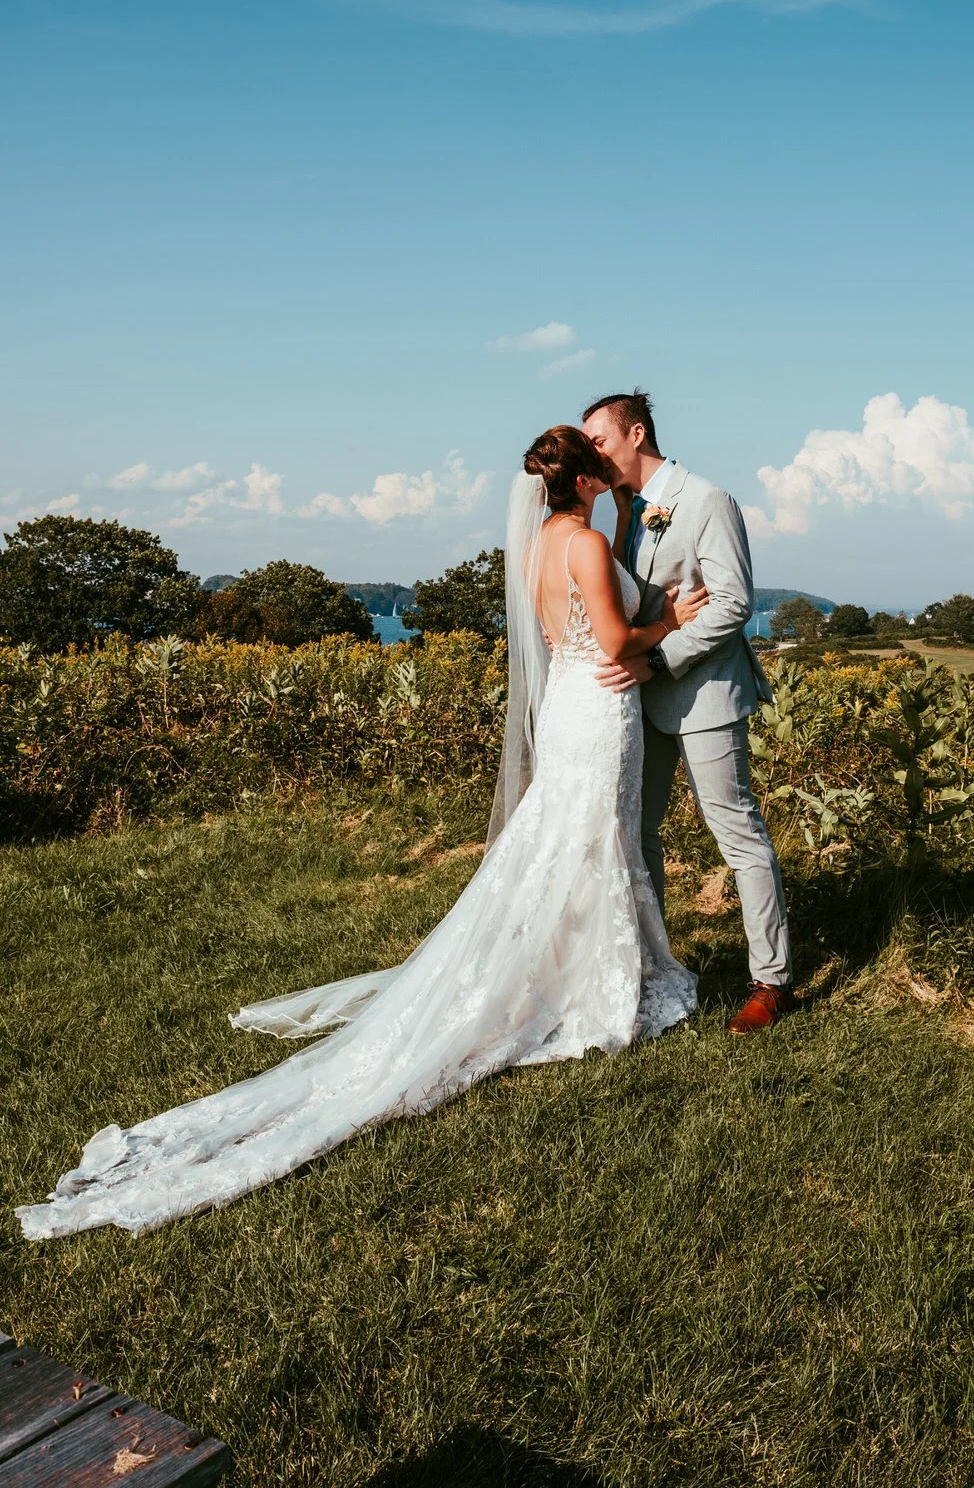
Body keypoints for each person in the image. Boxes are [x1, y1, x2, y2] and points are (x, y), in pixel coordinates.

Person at [16, 427, 704, 1239]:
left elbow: (566, 636)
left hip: (568, 710)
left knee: (572, 844)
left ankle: (576, 969)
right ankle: (596, 988)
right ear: (588, 479)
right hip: (599, 709)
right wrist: (672, 621)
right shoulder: (586, 542)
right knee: (593, 844)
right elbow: (615, 642)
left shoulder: (539, 546)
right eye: (602, 469)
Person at [582, 391, 794, 1034]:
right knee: (639, 837)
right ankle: (658, 967)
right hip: (637, 700)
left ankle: (771, 980)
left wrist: (659, 661)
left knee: (738, 835)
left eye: (599, 441)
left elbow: (732, 604)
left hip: (703, 691)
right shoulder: (621, 513)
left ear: (636, 433)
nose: (591, 453)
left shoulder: (707, 500)